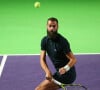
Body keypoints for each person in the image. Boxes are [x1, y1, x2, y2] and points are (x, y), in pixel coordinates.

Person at [35, 17, 77, 90]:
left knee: (39, 89)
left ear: (57, 27)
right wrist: (47, 71)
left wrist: (65, 68)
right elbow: (42, 59)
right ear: (46, 26)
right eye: (50, 26)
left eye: (54, 26)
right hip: (59, 73)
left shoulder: (62, 41)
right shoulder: (44, 41)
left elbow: (73, 59)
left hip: (67, 74)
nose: (52, 28)